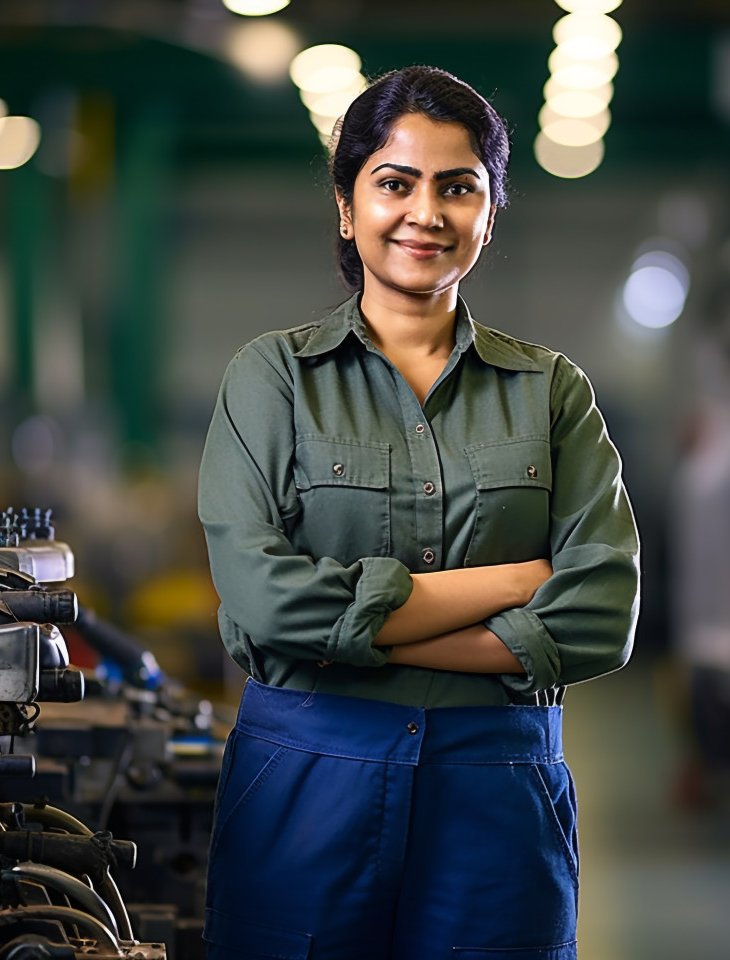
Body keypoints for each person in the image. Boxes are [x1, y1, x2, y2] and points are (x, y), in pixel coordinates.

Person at [197, 65, 640, 960]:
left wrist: (357, 634)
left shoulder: (551, 392)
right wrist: (513, 584)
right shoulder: (273, 378)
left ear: (490, 208)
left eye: (458, 187)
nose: (425, 213)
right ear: (347, 205)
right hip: (305, 781)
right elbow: (264, 600)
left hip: (497, 797)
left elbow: (603, 613)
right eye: (394, 183)